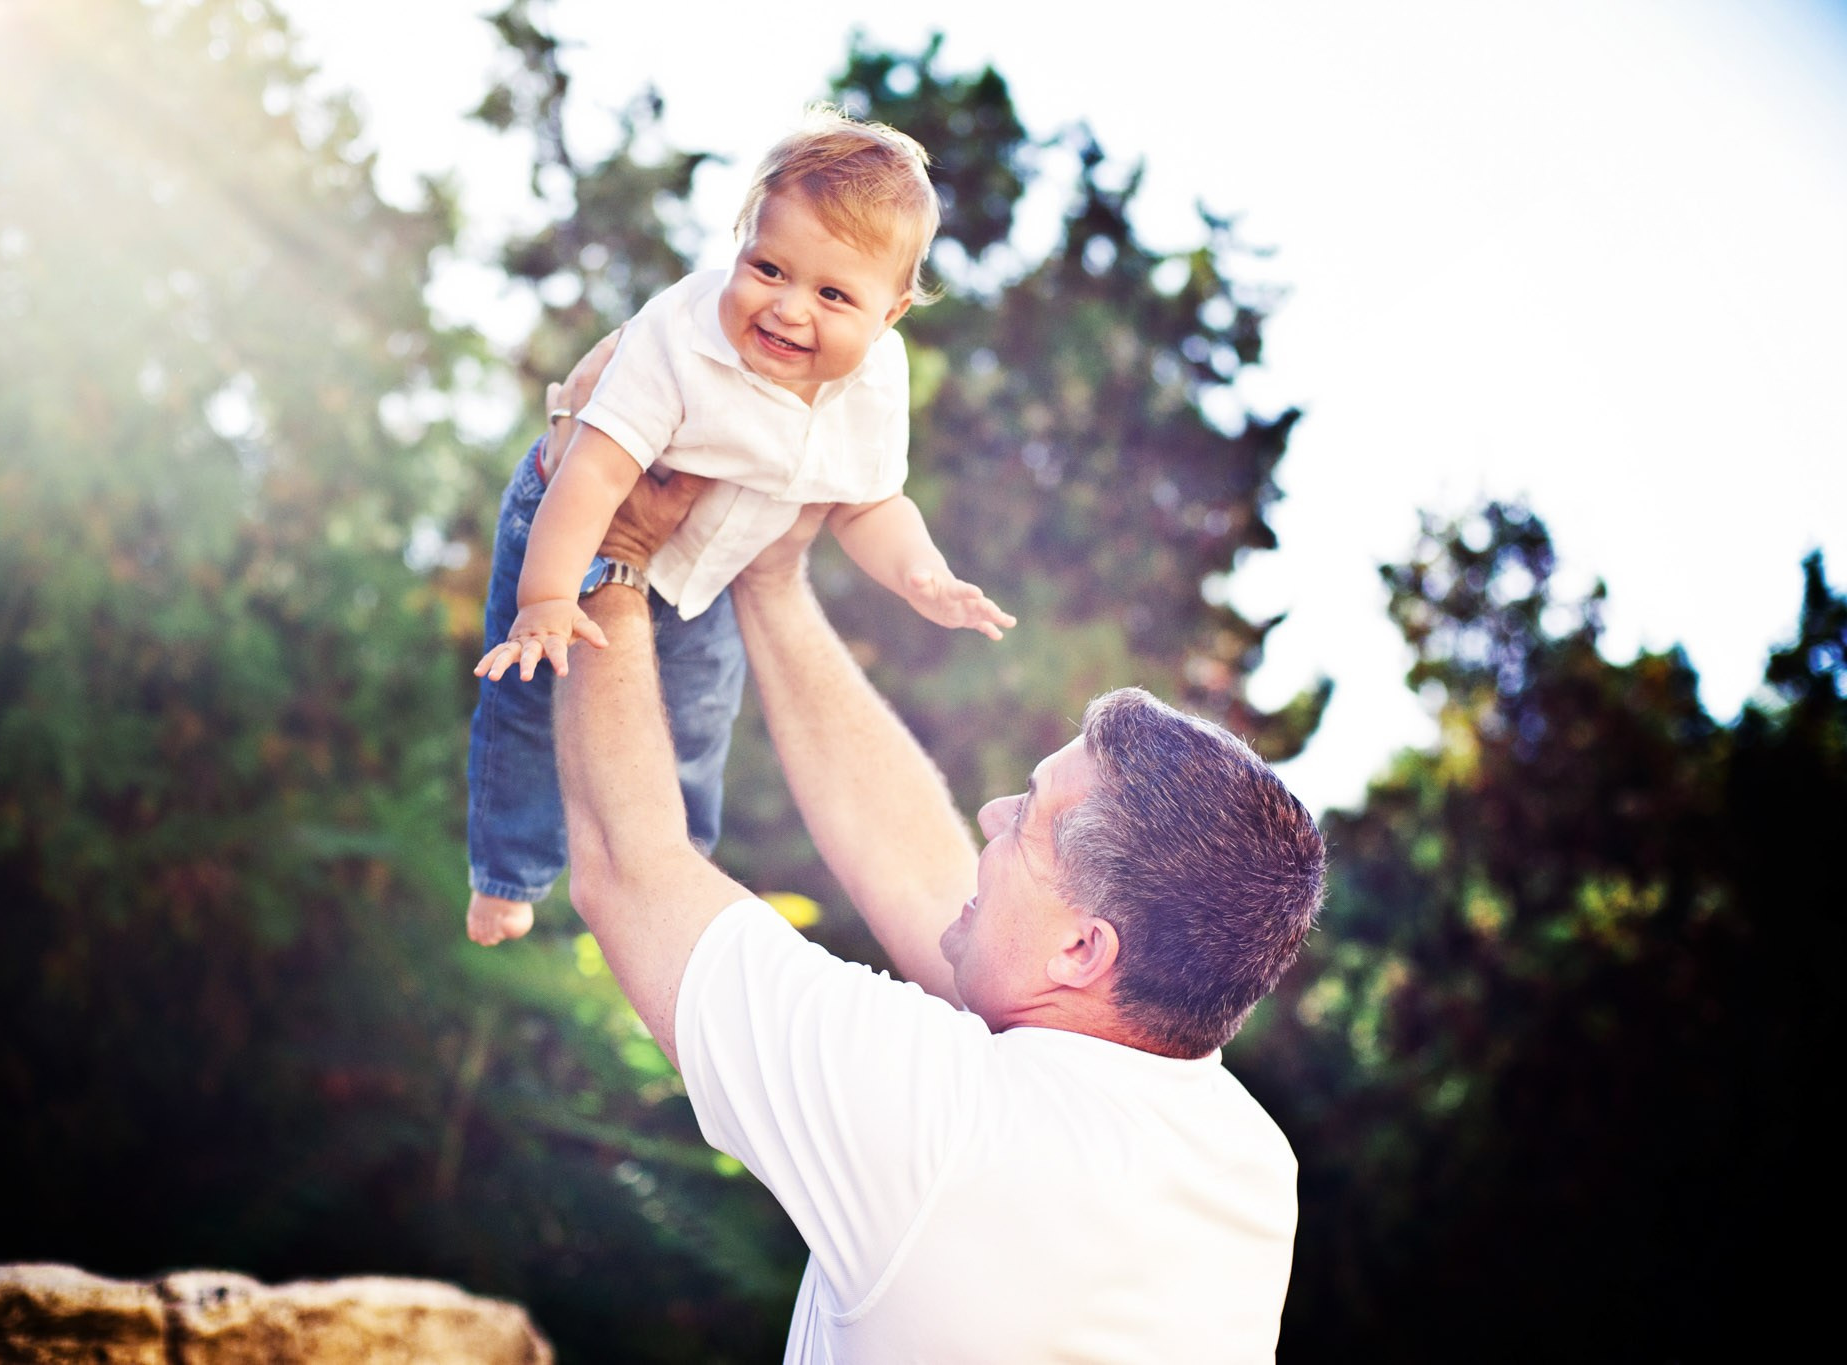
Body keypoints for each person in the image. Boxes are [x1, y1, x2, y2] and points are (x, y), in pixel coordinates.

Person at [549, 371, 1328, 1360]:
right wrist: (771, 576)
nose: (992, 812)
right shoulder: (1244, 1161)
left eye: (1028, 822)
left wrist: (608, 553)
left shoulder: (940, 1134)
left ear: (1085, 950)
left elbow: (630, 869)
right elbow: (935, 891)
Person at [464, 108, 1014, 947]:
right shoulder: (678, 339)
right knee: (530, 695)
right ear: (740, 242)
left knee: (695, 724)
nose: (790, 309)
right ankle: (507, 875)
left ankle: (667, 884)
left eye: (833, 294)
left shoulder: (874, 383)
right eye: (768, 268)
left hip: (705, 573)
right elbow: (597, 471)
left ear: (891, 313)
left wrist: (920, 573)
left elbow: (869, 505)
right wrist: (544, 597)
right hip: (572, 520)